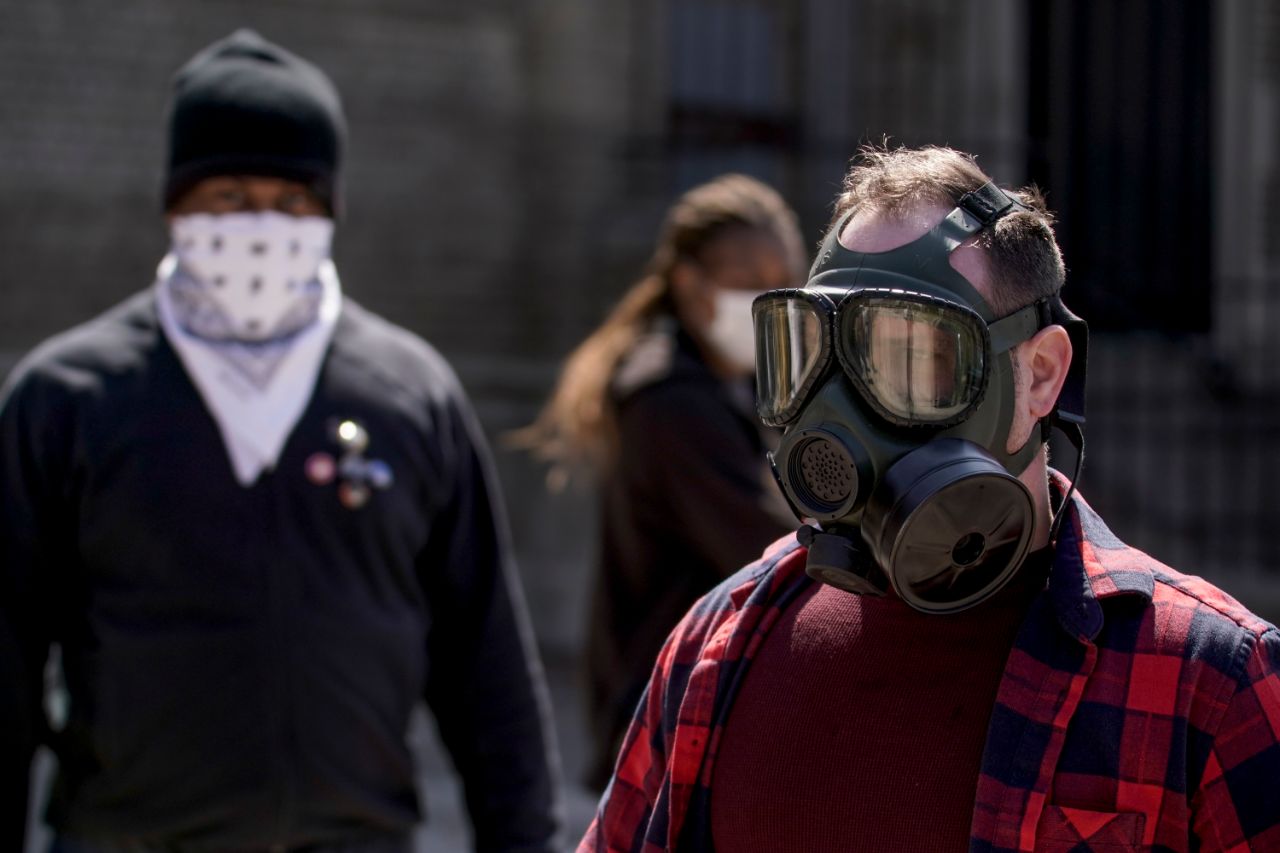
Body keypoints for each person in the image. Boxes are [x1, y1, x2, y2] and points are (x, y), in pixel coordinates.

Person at [580, 146, 1280, 851]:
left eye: (910, 359)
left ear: (1041, 375)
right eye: (814, 353)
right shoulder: (713, 651)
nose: (840, 411)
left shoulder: (1209, 687)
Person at [0, 29, 561, 853]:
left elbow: (487, 671)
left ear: (329, 209)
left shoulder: (409, 394)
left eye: (293, 199)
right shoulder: (69, 399)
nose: (262, 224)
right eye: (228, 195)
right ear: (175, 206)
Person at [515, 175, 805, 789]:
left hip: (697, 698)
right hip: (669, 710)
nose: (766, 296)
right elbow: (764, 544)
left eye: (781, 279)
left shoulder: (734, 383)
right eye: (744, 279)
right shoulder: (671, 399)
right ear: (688, 283)